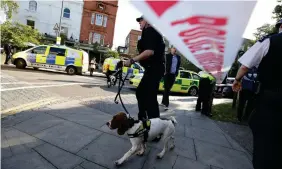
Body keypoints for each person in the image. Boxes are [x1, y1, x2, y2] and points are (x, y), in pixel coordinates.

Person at [232, 19, 282, 169]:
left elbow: (246, 65)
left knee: (264, 147)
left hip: (271, 102)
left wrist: (237, 79)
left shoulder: (270, 41)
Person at [124, 15, 165, 121]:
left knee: (148, 95)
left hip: (154, 68)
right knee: (143, 93)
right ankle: (144, 118)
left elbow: (149, 52)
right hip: (153, 69)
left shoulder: (150, 31)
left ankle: (153, 123)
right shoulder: (148, 32)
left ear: (148, 20)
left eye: (141, 20)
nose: (139, 22)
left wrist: (132, 60)